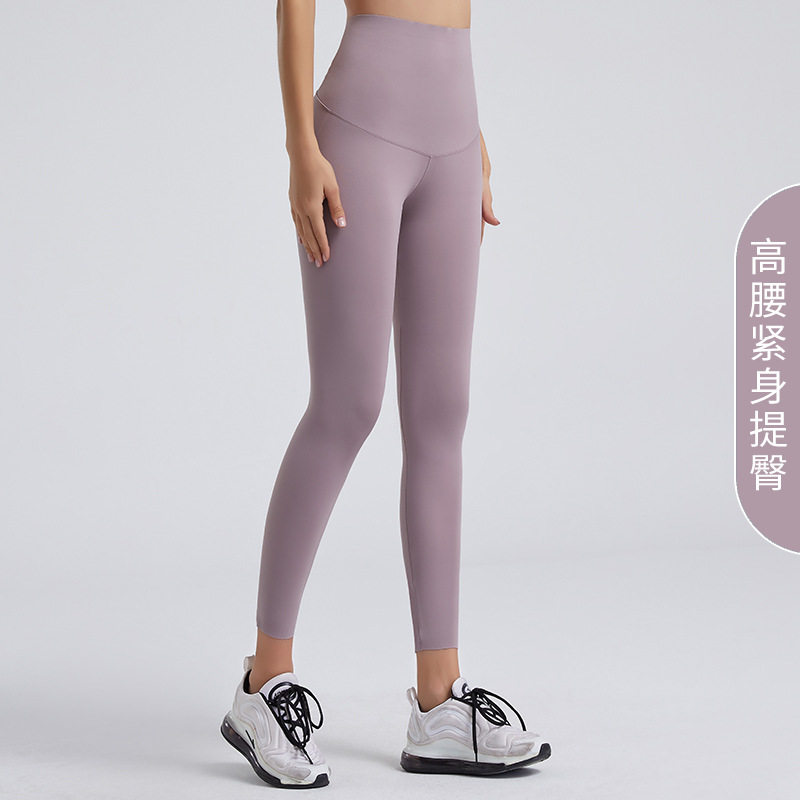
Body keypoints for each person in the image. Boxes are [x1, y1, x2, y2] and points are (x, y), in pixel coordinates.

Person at [220, 0, 551, 787]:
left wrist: (473, 140)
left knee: (441, 413)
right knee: (347, 404)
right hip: (360, 132)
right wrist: (301, 147)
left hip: (456, 132)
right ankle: (264, 680)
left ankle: (440, 703)